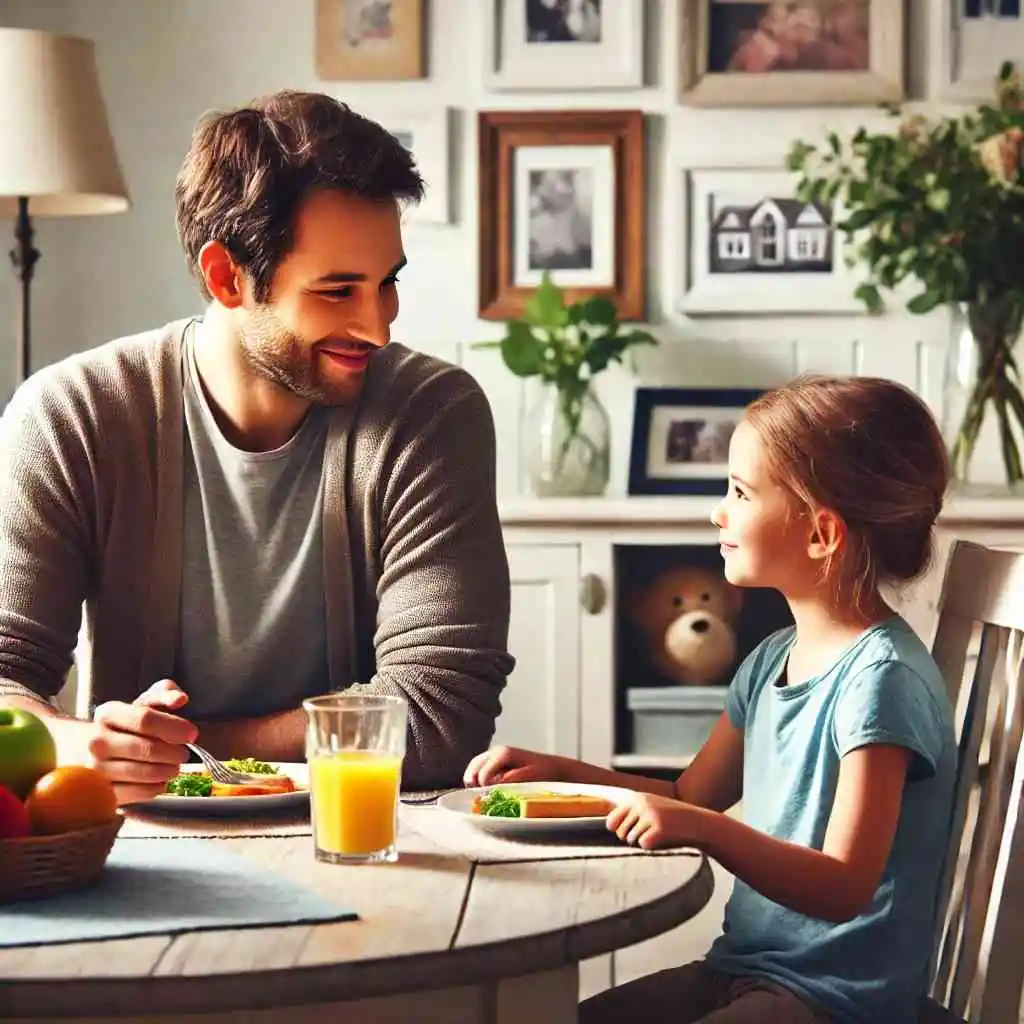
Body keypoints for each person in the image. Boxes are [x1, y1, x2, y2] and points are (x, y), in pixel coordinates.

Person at [0, 90, 514, 804]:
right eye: (337, 291)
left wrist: (175, 749)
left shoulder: (431, 414)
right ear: (226, 277)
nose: (378, 327)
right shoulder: (71, 415)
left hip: (366, 839)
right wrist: (79, 743)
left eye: (386, 283)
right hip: (143, 840)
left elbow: (436, 722)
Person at [466, 375, 957, 1024]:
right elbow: (691, 798)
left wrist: (709, 831)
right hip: (742, 969)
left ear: (821, 534)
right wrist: (566, 775)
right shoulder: (769, 660)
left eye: (739, 492)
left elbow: (843, 885)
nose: (717, 511)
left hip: (835, 997)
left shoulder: (881, 680)